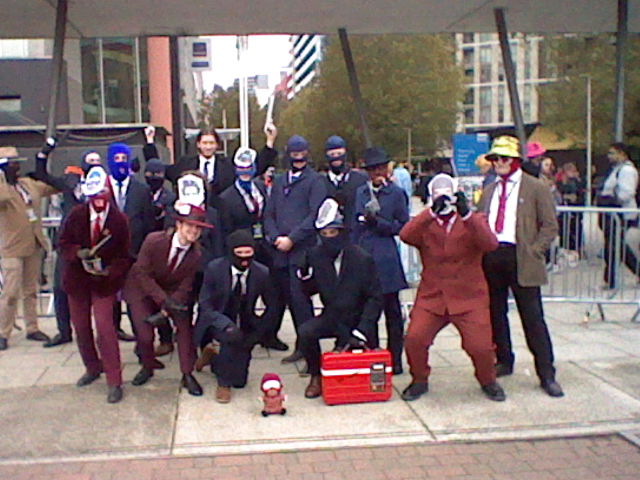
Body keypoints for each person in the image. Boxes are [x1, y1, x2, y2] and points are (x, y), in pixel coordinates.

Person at [399, 174, 505, 402]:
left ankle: (488, 380)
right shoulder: (425, 224)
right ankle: (419, 379)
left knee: (480, 347)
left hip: (468, 296)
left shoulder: (473, 221)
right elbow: (405, 235)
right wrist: (430, 212)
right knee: (415, 339)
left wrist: (467, 214)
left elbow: (490, 244)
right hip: (432, 296)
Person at [479, 136, 563, 398]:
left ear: (515, 161)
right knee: (495, 313)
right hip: (493, 256)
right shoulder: (489, 190)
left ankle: (546, 373)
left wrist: (535, 250)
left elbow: (550, 225)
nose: (498, 163)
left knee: (532, 317)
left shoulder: (535, 188)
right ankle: (504, 359)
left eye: (504, 158)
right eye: (494, 159)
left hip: (522, 256)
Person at [58, 166, 132, 403]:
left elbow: (125, 256)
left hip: (104, 282)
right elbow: (62, 243)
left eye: (102, 195)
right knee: (81, 327)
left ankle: (114, 380)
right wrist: (77, 253)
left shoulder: (119, 220)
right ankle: (92, 367)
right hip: (77, 281)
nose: (99, 201)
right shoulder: (76, 215)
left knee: (105, 328)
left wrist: (110, 271)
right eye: (94, 197)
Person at [297, 198, 382, 398]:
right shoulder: (316, 255)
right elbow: (310, 291)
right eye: (324, 234)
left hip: (358, 319)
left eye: (332, 232)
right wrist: (304, 276)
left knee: (359, 360)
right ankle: (316, 375)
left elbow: (375, 298)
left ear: (341, 232)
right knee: (306, 332)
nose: (328, 238)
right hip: (332, 316)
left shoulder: (361, 258)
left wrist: (362, 330)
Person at [124, 202, 210, 396]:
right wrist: (164, 301)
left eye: (198, 228)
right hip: (141, 289)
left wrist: (168, 307)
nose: (194, 231)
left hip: (172, 292)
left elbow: (186, 285)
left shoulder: (196, 254)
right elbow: (141, 273)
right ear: (178, 225)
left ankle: (187, 373)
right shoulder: (154, 240)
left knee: (185, 329)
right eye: (190, 226)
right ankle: (147, 366)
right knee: (145, 335)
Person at [194, 230, 278, 403]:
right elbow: (205, 303)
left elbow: (272, 305)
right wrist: (224, 324)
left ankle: (212, 356)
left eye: (248, 252)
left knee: (240, 381)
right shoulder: (215, 268)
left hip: (245, 319)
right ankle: (223, 384)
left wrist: (259, 331)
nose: (244, 258)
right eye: (239, 253)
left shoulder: (261, 272)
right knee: (230, 337)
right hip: (218, 318)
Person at [263, 135, 327, 364]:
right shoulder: (280, 181)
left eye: (302, 155)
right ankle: (300, 347)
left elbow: (315, 216)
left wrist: (292, 239)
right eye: (294, 155)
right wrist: (274, 238)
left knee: (302, 304)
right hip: (280, 253)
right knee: (287, 301)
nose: (298, 159)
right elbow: (268, 213)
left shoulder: (316, 181)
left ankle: (310, 351)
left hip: (303, 253)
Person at [219, 147, 286, 351]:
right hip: (242, 252)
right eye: (241, 169)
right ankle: (240, 335)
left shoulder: (261, 188)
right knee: (242, 296)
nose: (245, 173)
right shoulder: (226, 197)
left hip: (265, 248)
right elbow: (226, 231)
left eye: (249, 168)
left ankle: (269, 334)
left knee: (274, 295)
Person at [353, 147, 409, 374]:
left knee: (392, 312)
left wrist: (379, 223)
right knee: (368, 312)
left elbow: (403, 226)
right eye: (372, 169)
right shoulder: (360, 192)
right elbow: (354, 224)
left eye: (381, 168)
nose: (377, 173)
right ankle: (373, 354)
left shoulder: (396, 193)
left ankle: (395, 358)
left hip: (386, 257)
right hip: (365, 256)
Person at [0, 144, 59, 351]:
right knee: (10, 292)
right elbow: (3, 199)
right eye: (12, 164)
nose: (17, 167)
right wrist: (2, 178)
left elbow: (50, 188)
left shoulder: (26, 184)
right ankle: (3, 332)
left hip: (34, 242)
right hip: (12, 247)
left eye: (17, 163)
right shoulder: (3, 188)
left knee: (30, 290)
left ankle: (32, 327)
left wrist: (59, 177)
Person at [106, 142, 155, 342]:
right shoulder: (101, 188)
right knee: (111, 298)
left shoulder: (141, 190)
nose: (120, 163)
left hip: (134, 254)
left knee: (136, 299)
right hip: (109, 255)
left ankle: (141, 339)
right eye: (116, 159)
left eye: (124, 159)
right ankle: (113, 331)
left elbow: (149, 223)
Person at [165, 125, 278, 206]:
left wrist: (270, 141)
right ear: (198, 144)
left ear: (217, 145)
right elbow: (163, 171)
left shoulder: (227, 165)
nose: (208, 147)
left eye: (211, 143)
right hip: (194, 217)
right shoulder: (186, 164)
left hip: (221, 217)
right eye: (205, 143)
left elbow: (255, 167)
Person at [596, 142, 640, 288]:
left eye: (612, 153)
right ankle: (612, 278)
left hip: (620, 213)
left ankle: (610, 280)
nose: (609, 156)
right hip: (615, 213)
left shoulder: (626, 171)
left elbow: (627, 192)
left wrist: (613, 200)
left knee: (614, 247)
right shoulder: (618, 169)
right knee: (617, 246)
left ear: (622, 154)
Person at [321, 135, 367, 231]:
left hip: (356, 233)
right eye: (332, 154)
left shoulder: (361, 179)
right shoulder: (319, 182)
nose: (336, 157)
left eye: (339, 153)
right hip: (329, 234)